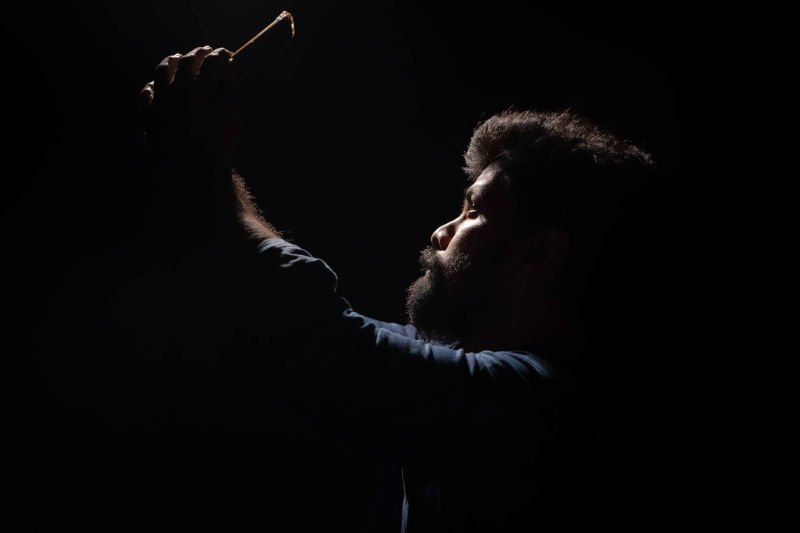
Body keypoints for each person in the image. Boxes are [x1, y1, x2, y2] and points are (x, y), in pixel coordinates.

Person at [129, 46, 661, 531]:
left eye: (473, 212)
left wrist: (207, 166)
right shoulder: (469, 364)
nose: (441, 232)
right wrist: (202, 175)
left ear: (538, 254)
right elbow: (318, 335)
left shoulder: (537, 403)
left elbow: (326, 344)